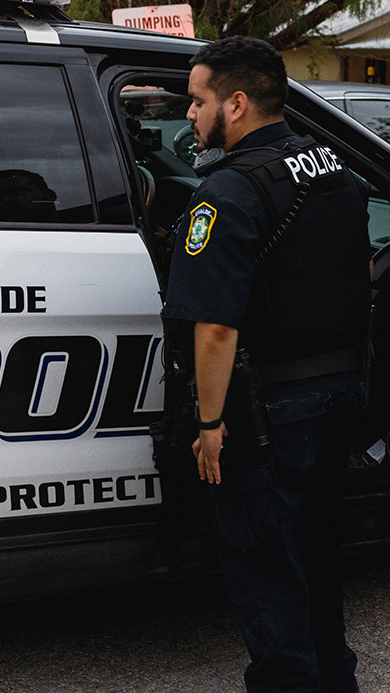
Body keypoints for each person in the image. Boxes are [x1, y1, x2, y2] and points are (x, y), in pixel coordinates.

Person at [160, 36, 370, 692]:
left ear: (239, 103)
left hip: (268, 415)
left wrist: (211, 424)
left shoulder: (226, 195)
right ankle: (335, 679)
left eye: (198, 101)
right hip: (338, 398)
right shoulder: (335, 169)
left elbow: (216, 328)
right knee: (316, 558)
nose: (189, 115)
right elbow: (361, 271)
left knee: (266, 571)